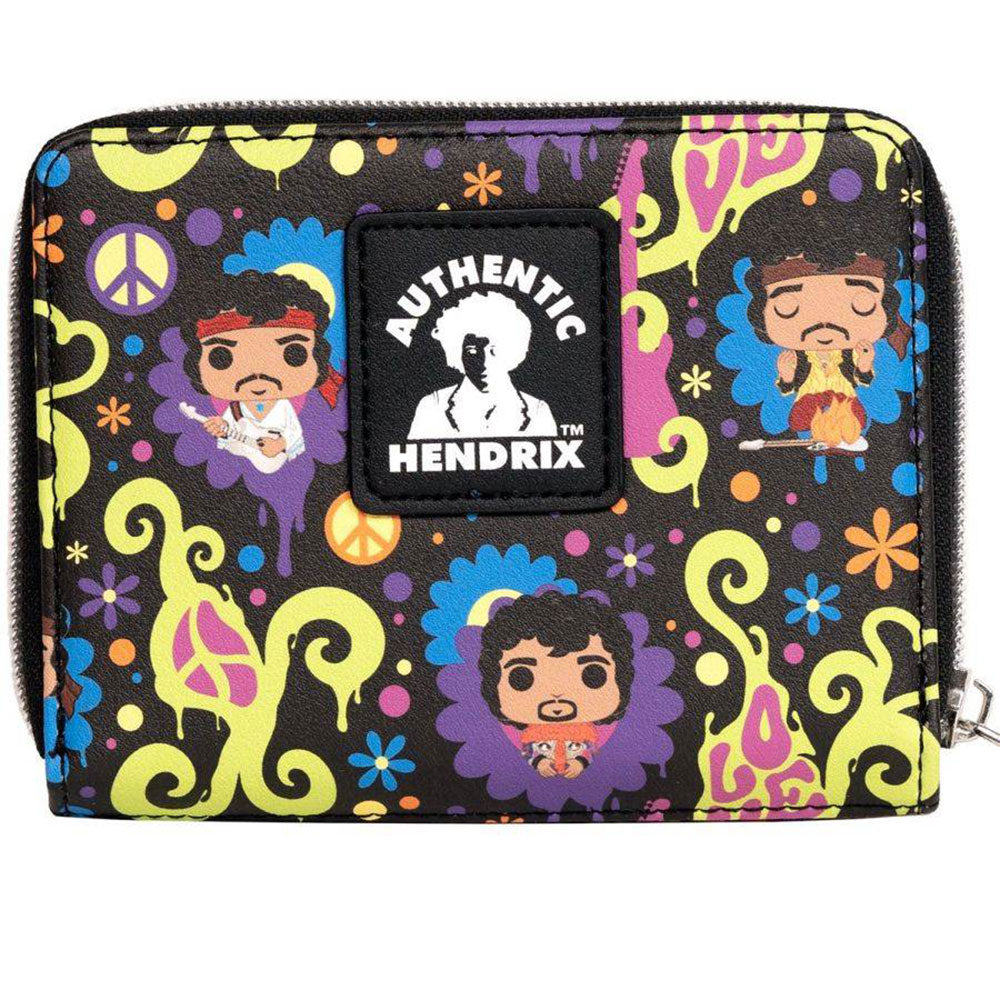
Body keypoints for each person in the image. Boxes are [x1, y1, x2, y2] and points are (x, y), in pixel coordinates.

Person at [751, 248, 911, 446]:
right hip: (808, 400)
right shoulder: (799, 357)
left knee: (854, 417)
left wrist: (864, 364)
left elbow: (863, 380)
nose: (824, 322)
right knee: (799, 420)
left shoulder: (850, 353)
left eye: (861, 304)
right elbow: (788, 388)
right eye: (787, 307)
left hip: (845, 399)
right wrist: (786, 375)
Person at [185, 272, 342, 470]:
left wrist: (280, 444)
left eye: (293, 353)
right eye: (221, 357)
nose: (257, 372)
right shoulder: (235, 408)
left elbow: (294, 432)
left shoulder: (283, 406)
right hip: (238, 464)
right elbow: (230, 435)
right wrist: (222, 429)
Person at [477, 592, 633, 778]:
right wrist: (540, 762)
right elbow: (528, 750)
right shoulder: (533, 733)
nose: (557, 693)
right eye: (522, 677)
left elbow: (590, 749)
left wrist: (580, 762)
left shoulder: (585, 732)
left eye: (592, 675)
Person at [408, 290, 557, 440]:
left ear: (512, 350)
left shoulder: (537, 411)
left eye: (494, 351)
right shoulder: (432, 406)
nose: (483, 363)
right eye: (472, 352)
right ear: (456, 352)